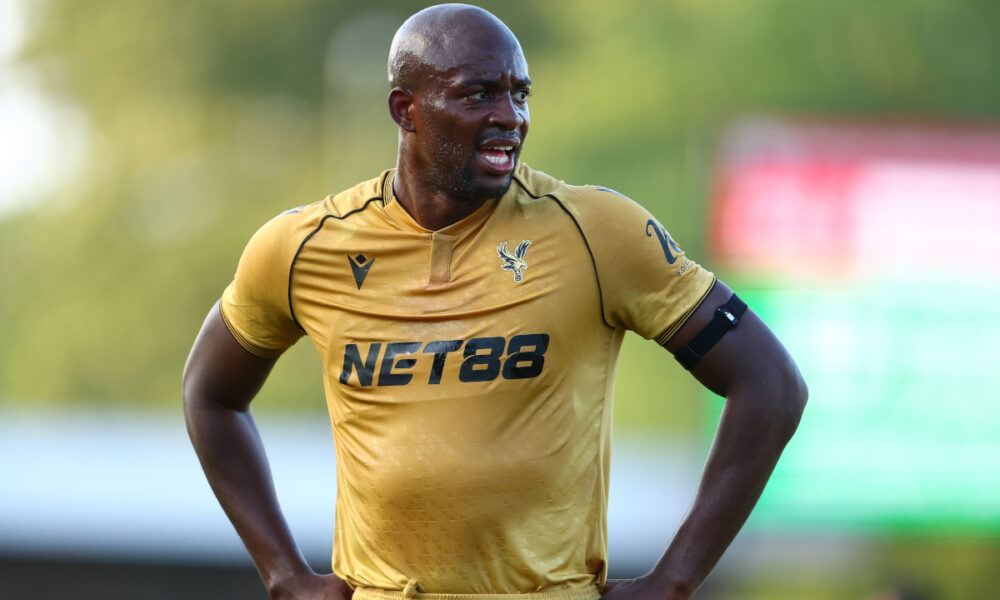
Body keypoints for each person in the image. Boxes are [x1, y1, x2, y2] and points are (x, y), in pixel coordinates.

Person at [182, 4, 807, 600]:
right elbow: (210, 394)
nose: (510, 115)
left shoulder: (598, 231)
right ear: (407, 110)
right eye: (478, 94)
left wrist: (674, 580)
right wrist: (283, 573)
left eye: (521, 93)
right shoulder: (302, 247)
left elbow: (771, 384)